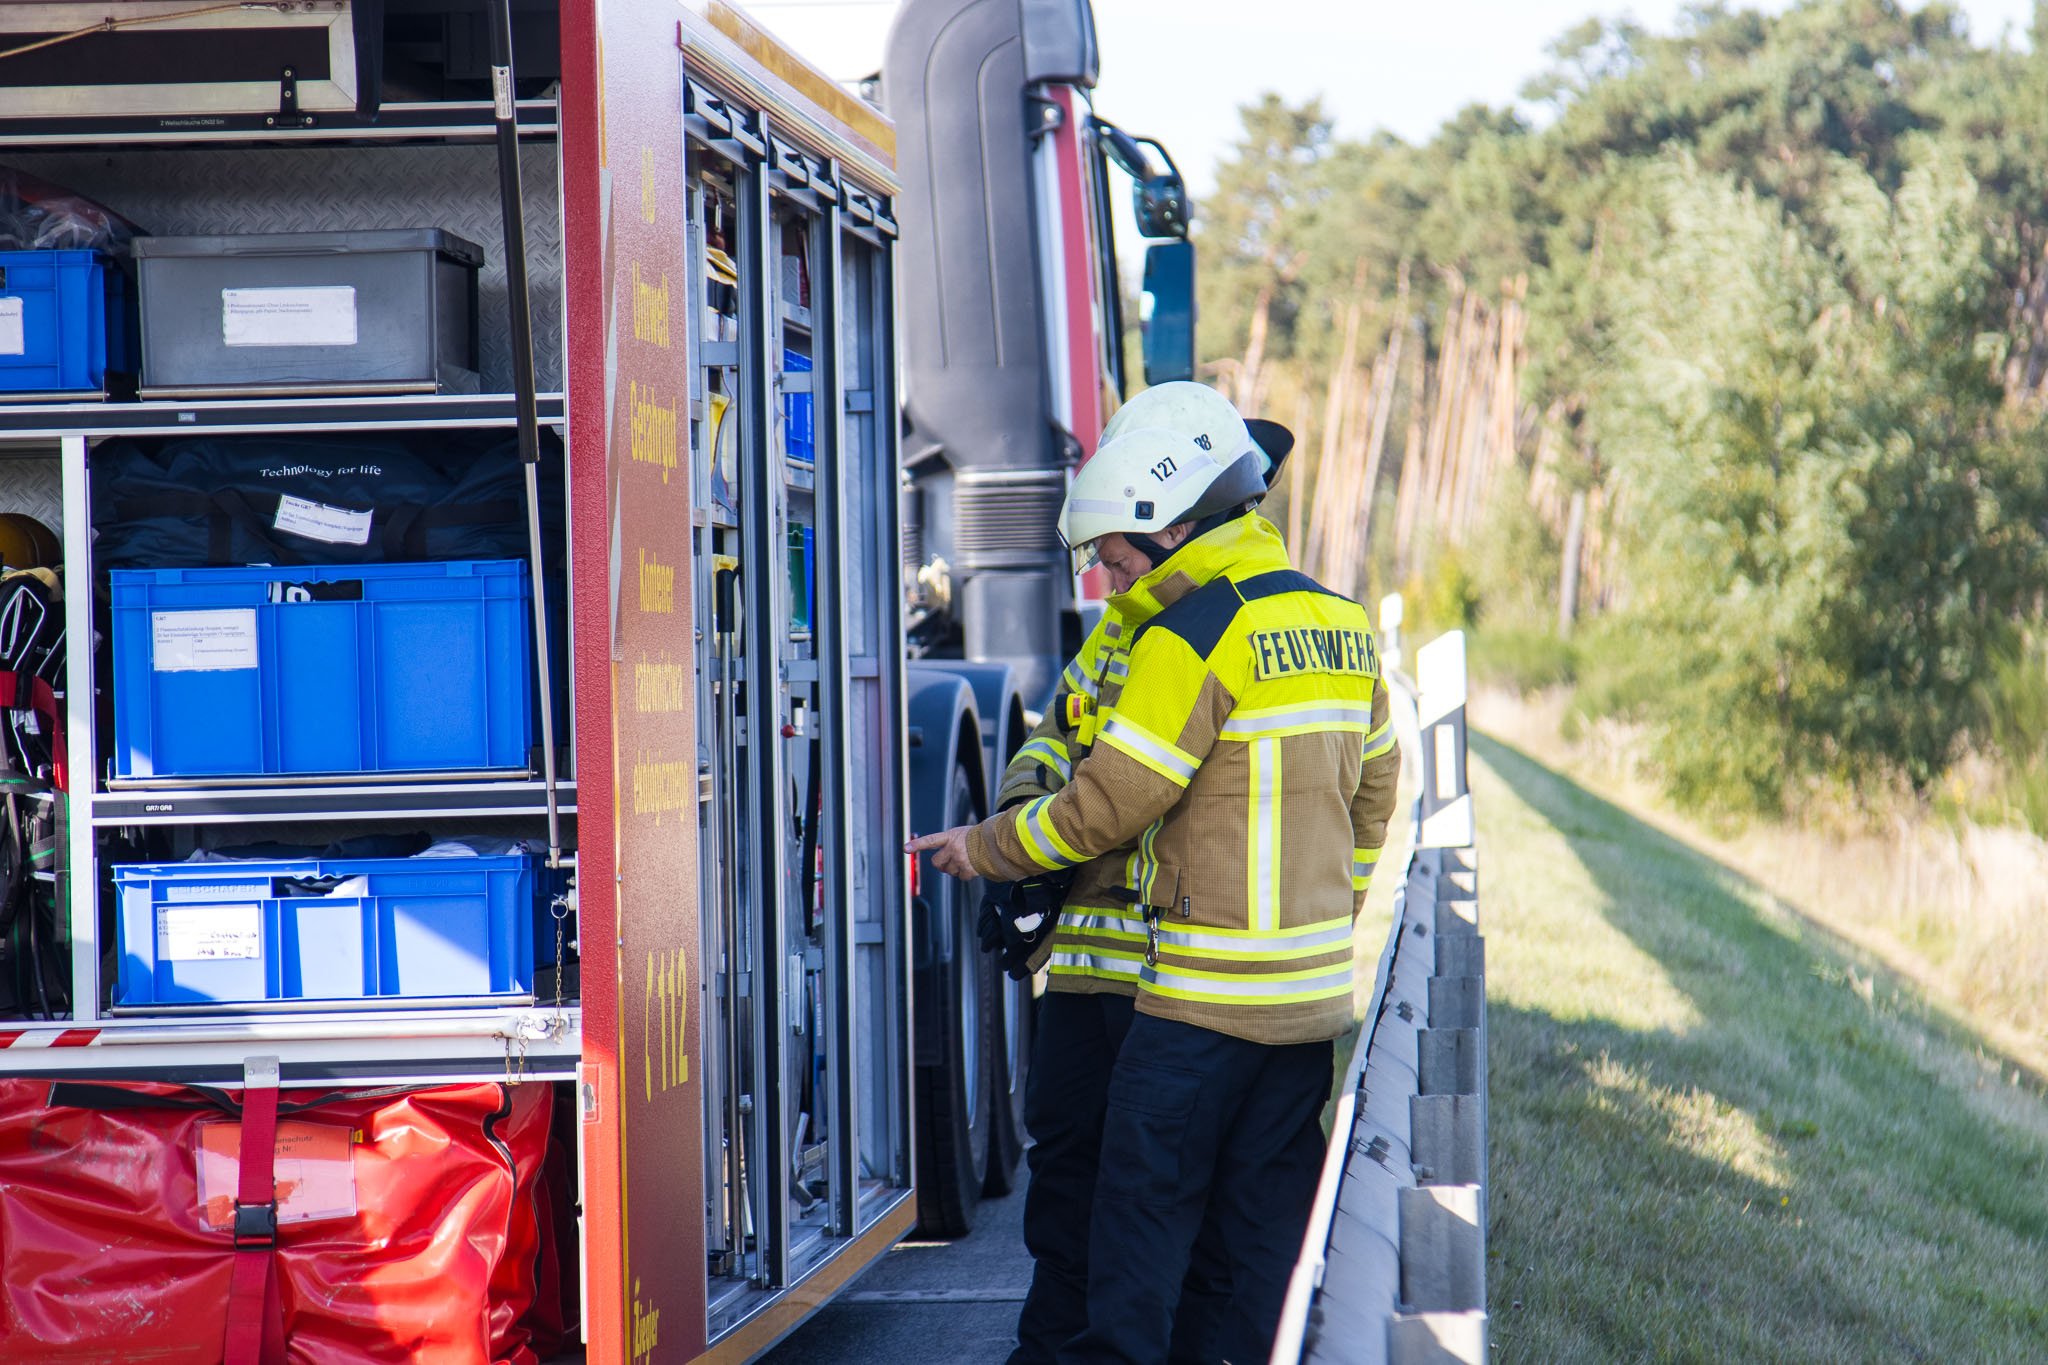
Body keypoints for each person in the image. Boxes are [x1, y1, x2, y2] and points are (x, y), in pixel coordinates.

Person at [911, 419, 1400, 1364]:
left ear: (1174, 523)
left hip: (1190, 1005)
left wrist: (988, 848)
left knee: (1135, 1241)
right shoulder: (1343, 623)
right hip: (1302, 1008)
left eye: (1116, 551)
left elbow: (1109, 803)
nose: (1106, 573)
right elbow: (1373, 798)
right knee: (1255, 1253)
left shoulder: (1190, 633)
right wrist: (1325, 919)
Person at [976, 385, 1294, 1365]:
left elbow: (1129, 797)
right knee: (1074, 1195)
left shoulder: (1214, 628)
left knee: (1161, 1218)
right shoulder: (1122, 627)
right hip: (1089, 973)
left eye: (1119, 553)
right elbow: (1052, 738)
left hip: (1174, 982)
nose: (1110, 572)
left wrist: (1013, 844)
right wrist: (1024, 829)